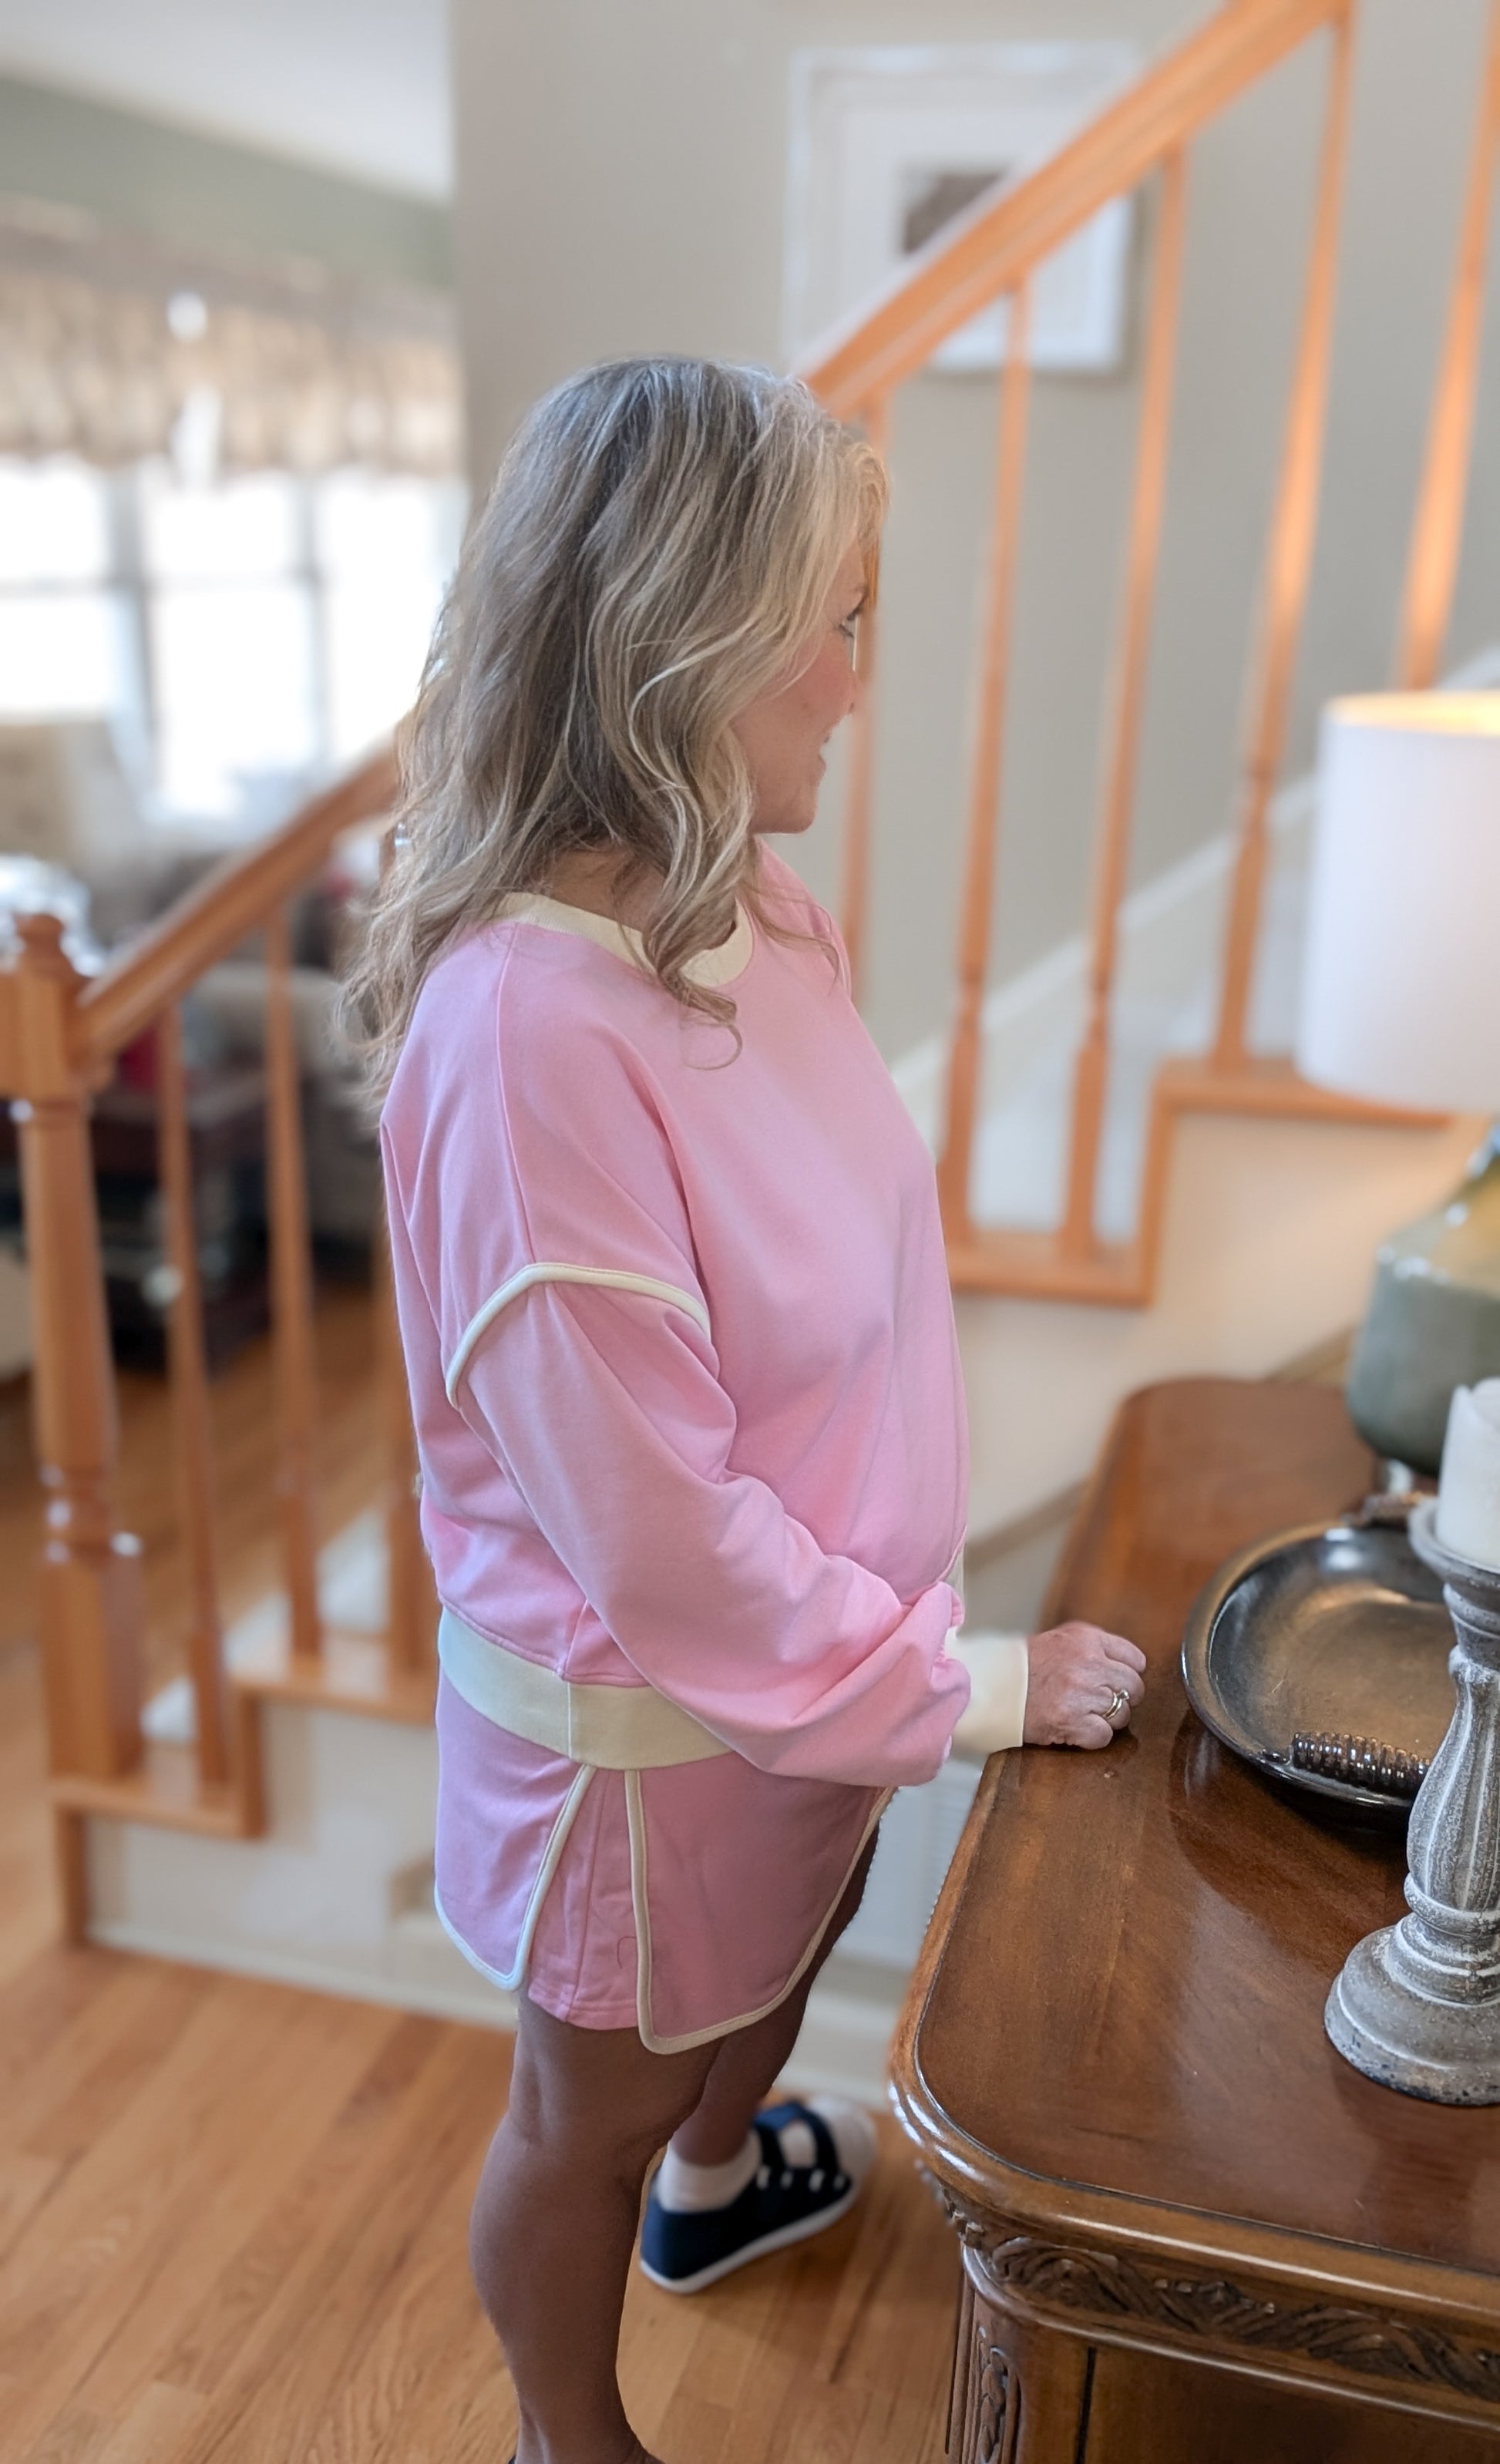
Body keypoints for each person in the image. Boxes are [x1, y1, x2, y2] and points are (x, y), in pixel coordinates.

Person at [349, 358, 1146, 2464]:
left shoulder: (752, 912)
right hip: (654, 1744)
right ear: (683, 639)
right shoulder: (526, 1041)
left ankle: (716, 2187)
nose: (857, 684)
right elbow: (664, 1540)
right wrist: (967, 1688)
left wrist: (898, 1668)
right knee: (585, 2119)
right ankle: (570, 2438)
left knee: (778, 1977)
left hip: (813, 1689)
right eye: (835, 622)